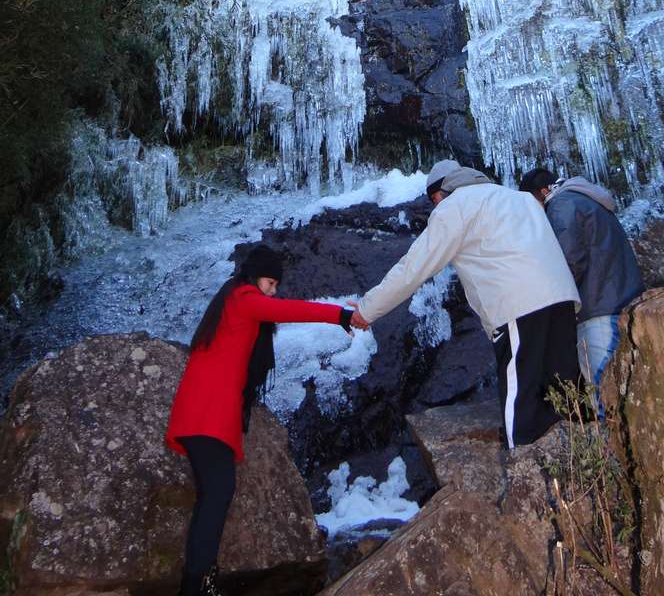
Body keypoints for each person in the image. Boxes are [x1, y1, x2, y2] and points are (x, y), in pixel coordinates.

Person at [166, 238, 356, 596]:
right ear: (256, 277)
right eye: (271, 284)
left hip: (203, 415)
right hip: (207, 417)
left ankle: (199, 583)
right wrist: (340, 314)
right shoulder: (243, 299)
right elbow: (291, 311)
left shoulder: (229, 300)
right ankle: (197, 586)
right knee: (218, 494)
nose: (272, 293)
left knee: (215, 495)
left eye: (275, 287)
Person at [349, 160, 581, 450]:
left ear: (445, 190)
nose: (435, 208)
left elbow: (413, 268)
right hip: (562, 299)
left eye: (434, 200)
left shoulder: (455, 206)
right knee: (568, 391)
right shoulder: (518, 197)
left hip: (521, 305)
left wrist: (366, 309)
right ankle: (589, 475)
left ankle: (527, 479)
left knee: (523, 403)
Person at [518, 169, 644, 390]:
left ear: (544, 192)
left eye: (531, 203)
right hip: (621, 301)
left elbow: (568, 261)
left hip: (598, 309)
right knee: (626, 387)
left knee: (604, 389)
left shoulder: (561, 205)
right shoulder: (589, 201)